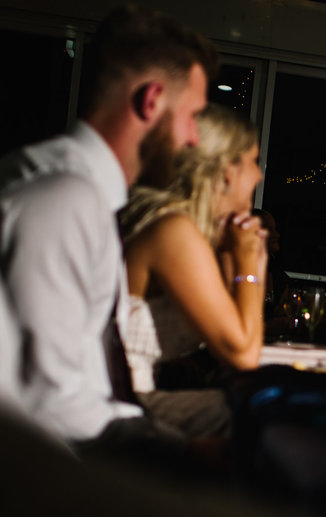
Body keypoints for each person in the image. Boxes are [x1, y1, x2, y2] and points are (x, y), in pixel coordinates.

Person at [0, 5, 217, 458]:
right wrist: (187, 453)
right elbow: (54, 408)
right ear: (152, 100)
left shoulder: (78, 192)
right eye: (192, 114)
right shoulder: (64, 201)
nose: (194, 138)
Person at [119, 103, 267, 440]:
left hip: (140, 393)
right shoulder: (173, 231)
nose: (259, 175)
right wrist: (245, 261)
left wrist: (249, 259)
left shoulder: (194, 231)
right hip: (118, 404)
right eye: (253, 162)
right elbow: (244, 355)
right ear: (227, 172)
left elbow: (242, 338)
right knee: (263, 417)